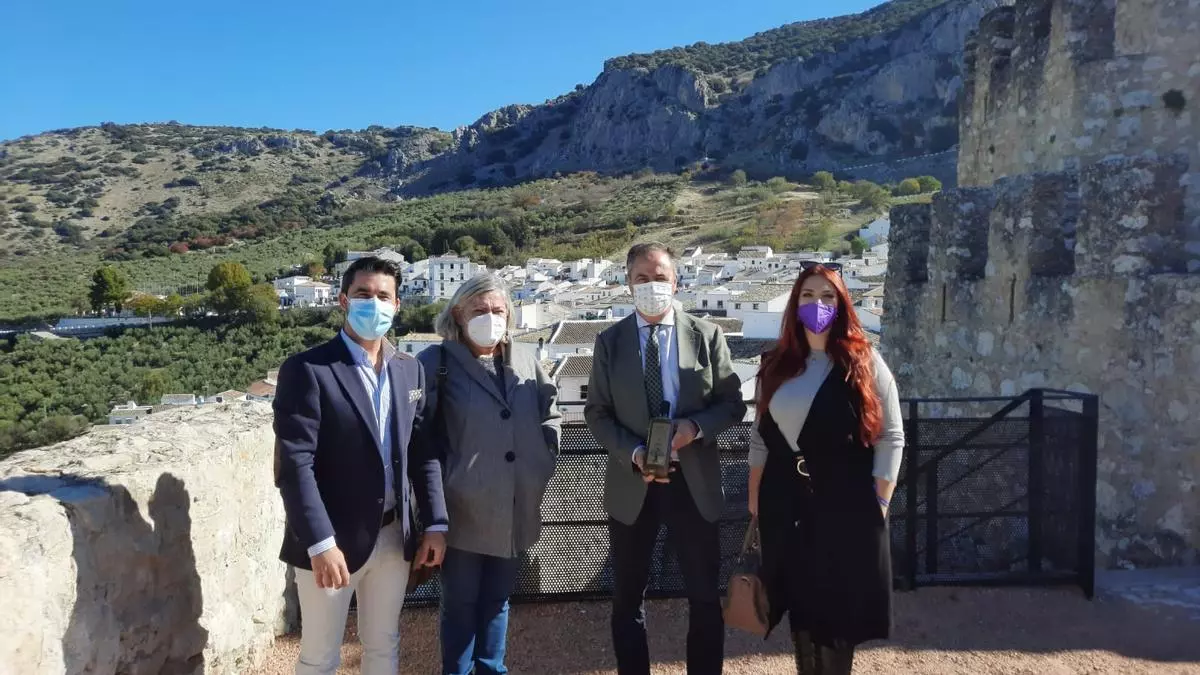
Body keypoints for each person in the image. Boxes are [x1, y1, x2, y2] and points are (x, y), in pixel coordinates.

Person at [273, 256, 448, 675]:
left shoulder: (410, 371)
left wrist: (436, 523)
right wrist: (320, 543)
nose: (374, 304)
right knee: (319, 656)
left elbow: (422, 452)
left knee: (384, 646)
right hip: (330, 542)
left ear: (397, 305)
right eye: (363, 294)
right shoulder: (308, 370)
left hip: (393, 539)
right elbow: (295, 465)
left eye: (383, 296)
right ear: (343, 301)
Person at [585, 242, 747, 675]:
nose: (651, 285)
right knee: (627, 599)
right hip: (632, 484)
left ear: (676, 282)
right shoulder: (609, 342)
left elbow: (732, 404)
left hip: (693, 483)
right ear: (627, 283)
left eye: (660, 277)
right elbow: (596, 413)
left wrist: (695, 427)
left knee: (704, 596)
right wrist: (634, 452)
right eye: (642, 278)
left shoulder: (706, 335)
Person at [747, 264, 905, 675]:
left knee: (837, 612)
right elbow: (760, 438)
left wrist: (880, 502)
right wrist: (755, 499)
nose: (817, 303)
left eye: (827, 296)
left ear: (841, 304)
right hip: (786, 504)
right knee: (799, 604)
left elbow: (891, 436)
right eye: (807, 295)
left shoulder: (864, 361)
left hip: (845, 504)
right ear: (794, 304)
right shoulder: (775, 365)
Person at [418, 274, 562, 675]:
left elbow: (550, 412)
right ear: (458, 314)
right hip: (461, 511)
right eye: (480, 310)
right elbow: (420, 436)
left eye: (498, 310)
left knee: (498, 600)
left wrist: (544, 458)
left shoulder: (526, 358)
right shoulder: (435, 363)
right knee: (460, 603)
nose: (491, 317)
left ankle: (491, 669)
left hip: (516, 506)